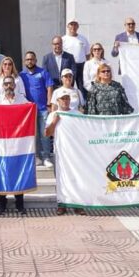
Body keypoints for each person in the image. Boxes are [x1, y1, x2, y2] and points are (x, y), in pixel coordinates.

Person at [46, 87, 86, 216]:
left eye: (67, 98)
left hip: (76, 152)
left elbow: (85, 131)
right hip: (60, 152)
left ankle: (77, 204)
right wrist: (54, 122)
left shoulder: (78, 114)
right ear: (57, 101)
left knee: (77, 177)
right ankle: (62, 204)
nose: (65, 101)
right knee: (61, 178)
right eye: (62, 99)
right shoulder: (53, 115)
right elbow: (47, 133)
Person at [0, 77, 28, 214]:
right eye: (6, 84)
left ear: (14, 85)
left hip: (18, 142)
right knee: (2, 170)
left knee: (18, 170)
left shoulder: (22, 100)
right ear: (3, 86)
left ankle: (20, 203)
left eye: (10, 83)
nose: (8, 86)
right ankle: (2, 202)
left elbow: (30, 110)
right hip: (2, 142)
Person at [20, 51, 54, 167]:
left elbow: (49, 87)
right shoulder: (21, 75)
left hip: (43, 108)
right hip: (29, 111)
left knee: (44, 134)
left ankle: (46, 157)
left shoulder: (43, 72)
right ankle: (37, 156)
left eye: (32, 59)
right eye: (27, 59)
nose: (30, 61)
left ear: (35, 60)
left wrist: (49, 103)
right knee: (34, 135)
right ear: (24, 61)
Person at [62, 20, 90, 97]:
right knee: (68, 86)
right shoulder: (63, 39)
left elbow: (87, 54)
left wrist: (87, 66)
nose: (73, 27)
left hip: (81, 66)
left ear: (78, 26)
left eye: (75, 25)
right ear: (67, 26)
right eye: (71, 24)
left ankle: (84, 103)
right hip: (68, 66)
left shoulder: (83, 38)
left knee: (83, 88)